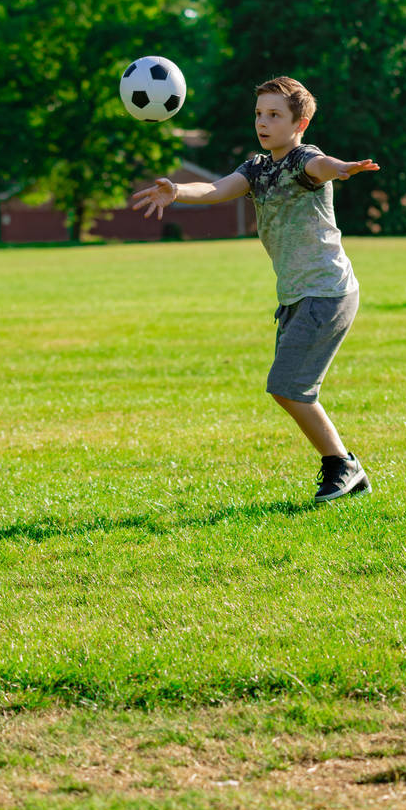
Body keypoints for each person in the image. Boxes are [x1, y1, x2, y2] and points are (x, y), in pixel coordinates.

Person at [132, 76, 379, 503]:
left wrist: (341, 168)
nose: (263, 123)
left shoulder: (305, 160)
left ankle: (342, 466)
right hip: (296, 296)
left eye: (274, 115)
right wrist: (177, 191)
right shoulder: (257, 169)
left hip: (327, 291)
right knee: (291, 388)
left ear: (300, 123)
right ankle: (344, 466)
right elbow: (216, 188)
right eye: (259, 115)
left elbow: (321, 167)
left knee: (287, 387)